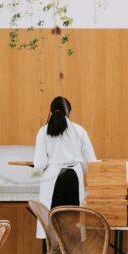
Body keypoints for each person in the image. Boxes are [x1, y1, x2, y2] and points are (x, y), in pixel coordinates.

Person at [33, 96, 96, 238]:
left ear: (51, 111)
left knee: (52, 221)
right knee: (73, 221)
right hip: (74, 176)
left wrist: (42, 169)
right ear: (69, 112)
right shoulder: (79, 130)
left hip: (53, 178)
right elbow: (91, 161)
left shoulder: (43, 131)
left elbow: (40, 164)